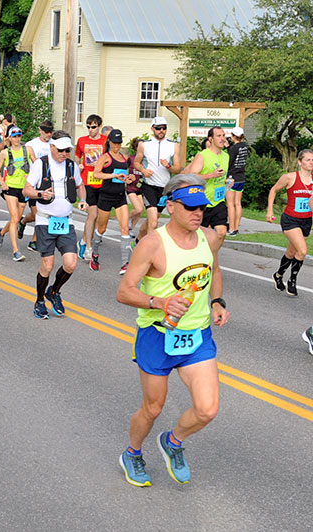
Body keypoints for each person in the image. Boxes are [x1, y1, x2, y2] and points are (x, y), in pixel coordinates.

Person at [116, 174, 229, 487]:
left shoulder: (209, 238)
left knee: (207, 409)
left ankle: (173, 442)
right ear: (170, 206)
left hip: (197, 335)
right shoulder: (153, 244)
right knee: (152, 408)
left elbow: (214, 270)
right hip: (157, 336)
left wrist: (217, 301)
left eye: (202, 207)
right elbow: (124, 291)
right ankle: (132, 453)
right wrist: (159, 302)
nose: (198, 213)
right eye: (191, 207)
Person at [23, 135, 87, 319]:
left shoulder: (71, 166)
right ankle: (39, 301)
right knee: (48, 265)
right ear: (52, 147)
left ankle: (54, 291)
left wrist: (83, 200)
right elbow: (26, 190)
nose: (64, 154)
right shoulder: (41, 164)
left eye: (68, 150)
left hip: (66, 221)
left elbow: (80, 185)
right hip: (45, 221)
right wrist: (39, 193)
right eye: (61, 150)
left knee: (71, 264)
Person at [265, 149, 313, 297]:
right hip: (290, 219)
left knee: (292, 252)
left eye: (312, 160)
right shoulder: (290, 178)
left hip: (306, 220)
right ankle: (292, 280)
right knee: (303, 251)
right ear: (299, 162)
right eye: (308, 160)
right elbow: (273, 190)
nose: (311, 162)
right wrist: (270, 211)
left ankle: (278, 275)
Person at [90, 129, 136, 274]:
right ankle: (95, 254)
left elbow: (125, 176)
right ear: (109, 142)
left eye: (119, 143)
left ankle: (125, 264)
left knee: (125, 229)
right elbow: (96, 174)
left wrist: (129, 179)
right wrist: (112, 175)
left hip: (120, 196)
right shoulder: (105, 157)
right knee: (102, 228)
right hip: (106, 196)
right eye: (114, 143)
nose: (116, 146)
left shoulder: (124, 157)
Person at [133, 117, 181, 240]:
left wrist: (168, 166)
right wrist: (143, 170)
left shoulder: (173, 145)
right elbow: (136, 163)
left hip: (164, 189)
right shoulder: (144, 145)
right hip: (149, 186)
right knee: (153, 223)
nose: (161, 130)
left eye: (164, 128)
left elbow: (177, 169)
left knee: (151, 221)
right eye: (158, 128)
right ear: (152, 129)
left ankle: (138, 241)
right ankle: (150, 254)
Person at [183, 126, 230, 244]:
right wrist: (211, 175)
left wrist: (228, 184)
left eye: (223, 135)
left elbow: (224, 178)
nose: (222, 138)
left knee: (222, 232)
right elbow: (192, 176)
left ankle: (211, 255)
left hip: (219, 200)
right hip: (202, 201)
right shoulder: (203, 155)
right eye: (219, 136)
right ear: (211, 139)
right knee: (197, 235)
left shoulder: (226, 156)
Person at [0, 127, 34, 261]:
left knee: (16, 219)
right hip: (10, 188)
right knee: (15, 217)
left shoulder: (27, 150)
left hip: (24, 189)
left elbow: (38, 163)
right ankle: (16, 251)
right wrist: (2, 182)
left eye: (19, 136)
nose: (17, 139)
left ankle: (2, 231)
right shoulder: (5, 153)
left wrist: (33, 176)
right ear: (9, 138)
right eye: (14, 136)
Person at [76, 114, 107, 261]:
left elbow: (110, 160)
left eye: (93, 127)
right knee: (92, 215)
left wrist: (102, 164)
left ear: (99, 127)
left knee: (99, 217)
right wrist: (79, 165)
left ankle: (82, 241)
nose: (90, 130)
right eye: (88, 127)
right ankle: (88, 247)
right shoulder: (82, 141)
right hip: (87, 182)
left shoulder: (105, 141)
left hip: (101, 181)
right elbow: (76, 158)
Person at [20, 120, 55, 250]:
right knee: (36, 215)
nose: (49, 134)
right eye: (46, 131)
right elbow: (24, 162)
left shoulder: (54, 145)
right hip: (34, 184)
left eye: (51, 132)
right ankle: (22, 221)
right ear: (40, 130)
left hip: (49, 183)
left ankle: (34, 241)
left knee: (43, 214)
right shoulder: (31, 145)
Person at [226, 126, 249, 236]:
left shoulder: (233, 148)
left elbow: (229, 162)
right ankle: (236, 227)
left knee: (230, 204)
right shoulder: (245, 146)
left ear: (233, 136)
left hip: (231, 177)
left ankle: (231, 228)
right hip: (241, 177)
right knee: (238, 204)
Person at [126, 138, 145, 239]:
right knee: (139, 208)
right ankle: (126, 218)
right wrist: (127, 177)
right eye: (140, 146)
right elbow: (123, 170)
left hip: (140, 188)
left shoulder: (146, 160)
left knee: (140, 211)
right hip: (131, 188)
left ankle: (130, 229)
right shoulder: (131, 158)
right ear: (136, 148)